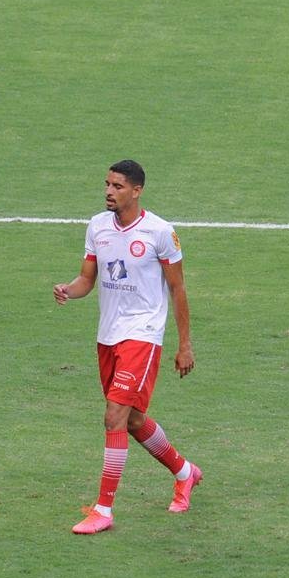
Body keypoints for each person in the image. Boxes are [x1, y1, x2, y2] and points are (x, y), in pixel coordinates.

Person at [53, 159, 202, 534]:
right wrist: (69, 291)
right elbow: (88, 279)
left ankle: (103, 510)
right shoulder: (97, 227)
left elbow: (178, 289)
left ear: (136, 191)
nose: (108, 191)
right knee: (131, 420)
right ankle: (185, 473)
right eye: (107, 184)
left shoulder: (160, 232)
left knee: (114, 416)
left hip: (144, 334)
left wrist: (184, 345)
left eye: (117, 186)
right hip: (108, 335)